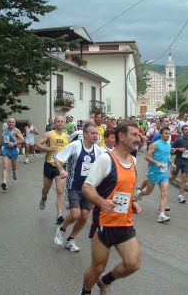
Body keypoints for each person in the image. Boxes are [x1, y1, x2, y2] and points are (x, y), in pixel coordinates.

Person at [79, 120, 141, 295]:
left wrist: (133, 203)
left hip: (125, 223)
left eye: (138, 135)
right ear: (121, 136)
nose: (138, 138)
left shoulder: (133, 161)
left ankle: (105, 280)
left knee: (133, 264)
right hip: (104, 224)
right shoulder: (106, 159)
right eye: (134, 134)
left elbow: (126, 190)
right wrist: (101, 202)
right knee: (98, 266)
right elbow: (87, 187)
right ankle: (85, 291)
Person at [53, 122, 102, 252]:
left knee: (85, 215)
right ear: (85, 134)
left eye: (96, 133)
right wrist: (61, 170)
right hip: (74, 185)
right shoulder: (75, 146)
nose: (95, 136)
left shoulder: (97, 150)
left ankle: (71, 240)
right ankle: (62, 229)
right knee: (75, 214)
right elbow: (58, 158)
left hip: (89, 188)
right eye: (92, 133)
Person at [36, 116, 69, 224]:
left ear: (64, 123)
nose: (60, 123)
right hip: (50, 165)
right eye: (57, 121)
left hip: (61, 167)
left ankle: (59, 215)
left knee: (60, 190)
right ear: (54, 123)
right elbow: (38, 145)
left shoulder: (67, 137)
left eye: (61, 121)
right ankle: (44, 197)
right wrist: (49, 149)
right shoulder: (49, 134)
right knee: (46, 189)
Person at [135, 127, 172, 223]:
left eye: (169, 133)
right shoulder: (155, 144)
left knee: (164, 193)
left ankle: (162, 215)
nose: (168, 135)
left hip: (164, 173)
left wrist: (171, 162)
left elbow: (166, 157)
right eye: (166, 133)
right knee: (147, 192)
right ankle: (138, 194)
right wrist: (156, 163)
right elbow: (146, 157)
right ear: (161, 134)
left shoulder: (169, 145)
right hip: (154, 172)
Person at [0, 117, 24, 190]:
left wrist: (14, 143)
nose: (11, 123)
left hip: (13, 150)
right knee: (5, 166)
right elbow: (1, 137)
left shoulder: (16, 130)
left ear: (15, 123)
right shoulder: (4, 130)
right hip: (5, 149)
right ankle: (4, 182)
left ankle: (14, 172)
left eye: (12, 122)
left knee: (14, 166)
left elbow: (22, 139)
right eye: (9, 122)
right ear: (7, 123)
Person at [170, 125, 188, 204]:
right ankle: (163, 183)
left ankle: (181, 196)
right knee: (172, 178)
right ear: (182, 131)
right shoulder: (179, 139)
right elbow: (171, 149)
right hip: (178, 160)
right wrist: (178, 149)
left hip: (186, 161)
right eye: (185, 130)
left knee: (184, 178)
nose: (187, 131)